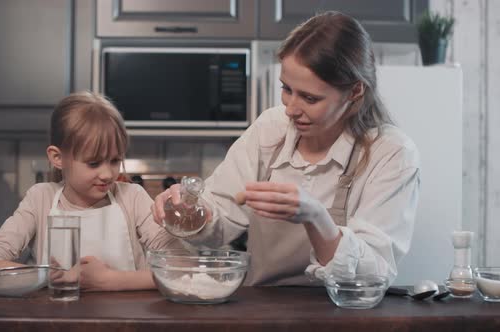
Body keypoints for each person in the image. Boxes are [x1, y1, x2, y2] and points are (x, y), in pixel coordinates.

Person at [152, 11, 420, 286]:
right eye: (286, 89)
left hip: (346, 315)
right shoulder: (271, 127)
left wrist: (315, 216)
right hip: (265, 308)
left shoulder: (391, 154)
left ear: (354, 92)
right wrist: (191, 211)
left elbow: (374, 273)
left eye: (309, 98)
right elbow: (221, 214)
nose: (291, 109)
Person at [0, 91, 183, 291]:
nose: (107, 174)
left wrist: (109, 280)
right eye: (93, 163)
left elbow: (180, 268)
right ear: (57, 157)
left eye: (114, 161)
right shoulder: (40, 198)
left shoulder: (133, 198)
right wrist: (50, 275)